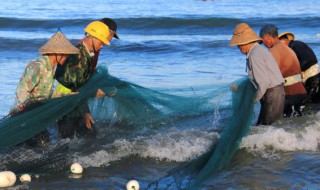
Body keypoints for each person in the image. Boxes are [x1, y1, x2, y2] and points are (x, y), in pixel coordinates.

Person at [54, 19, 119, 138]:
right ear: (93, 37)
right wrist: (93, 94)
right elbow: (75, 88)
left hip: (75, 101)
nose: (103, 45)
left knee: (89, 135)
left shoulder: (88, 53)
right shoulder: (79, 57)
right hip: (65, 102)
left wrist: (86, 112)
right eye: (102, 42)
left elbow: (80, 85)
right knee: (64, 141)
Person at [13, 30, 79, 145]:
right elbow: (21, 90)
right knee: (38, 145)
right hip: (24, 116)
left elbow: (47, 93)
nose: (67, 57)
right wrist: (28, 113)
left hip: (38, 115)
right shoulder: (38, 66)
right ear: (57, 53)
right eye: (66, 54)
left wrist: (66, 95)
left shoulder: (51, 68)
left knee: (44, 144)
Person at [229, 23, 285, 125]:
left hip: (273, 94)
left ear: (244, 43)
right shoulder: (257, 50)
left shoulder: (254, 54)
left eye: (238, 45)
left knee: (268, 128)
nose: (238, 48)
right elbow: (258, 79)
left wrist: (253, 100)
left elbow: (264, 82)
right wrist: (241, 88)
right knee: (265, 127)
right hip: (273, 92)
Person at [259, 24, 307, 117]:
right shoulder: (287, 48)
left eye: (263, 40)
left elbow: (269, 75)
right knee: (295, 125)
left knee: (281, 125)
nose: (264, 44)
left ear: (268, 37)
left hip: (291, 94)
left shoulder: (274, 50)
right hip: (301, 91)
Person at [278, 32, 320, 103]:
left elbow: (306, 60)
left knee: (307, 101)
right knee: (313, 100)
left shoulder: (294, 46)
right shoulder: (297, 44)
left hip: (311, 75)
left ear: (285, 41)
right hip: (314, 74)